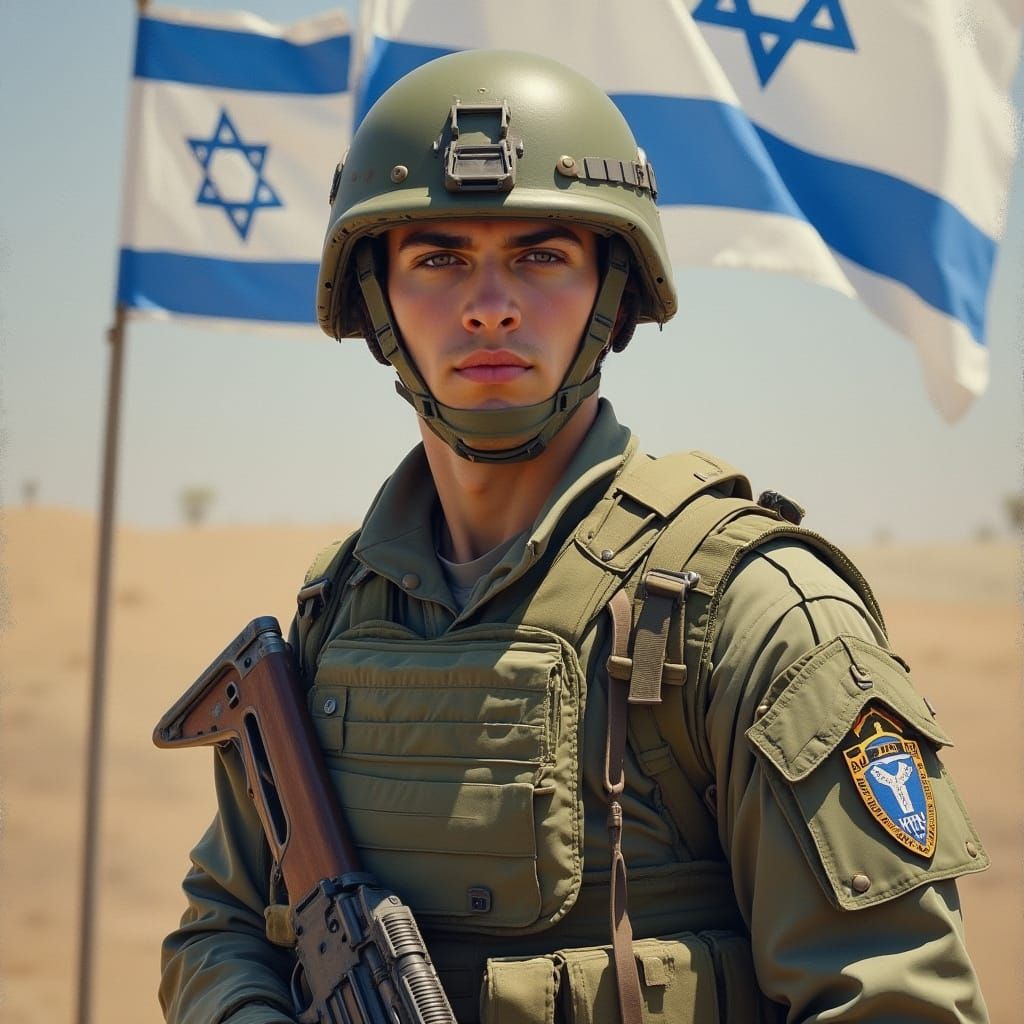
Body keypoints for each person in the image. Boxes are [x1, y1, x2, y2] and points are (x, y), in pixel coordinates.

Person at [159, 49, 991, 1024]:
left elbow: (895, 998)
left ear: (611, 289)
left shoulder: (753, 617)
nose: (490, 302)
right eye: (438, 258)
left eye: (541, 256)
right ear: (378, 301)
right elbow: (221, 924)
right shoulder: (335, 616)